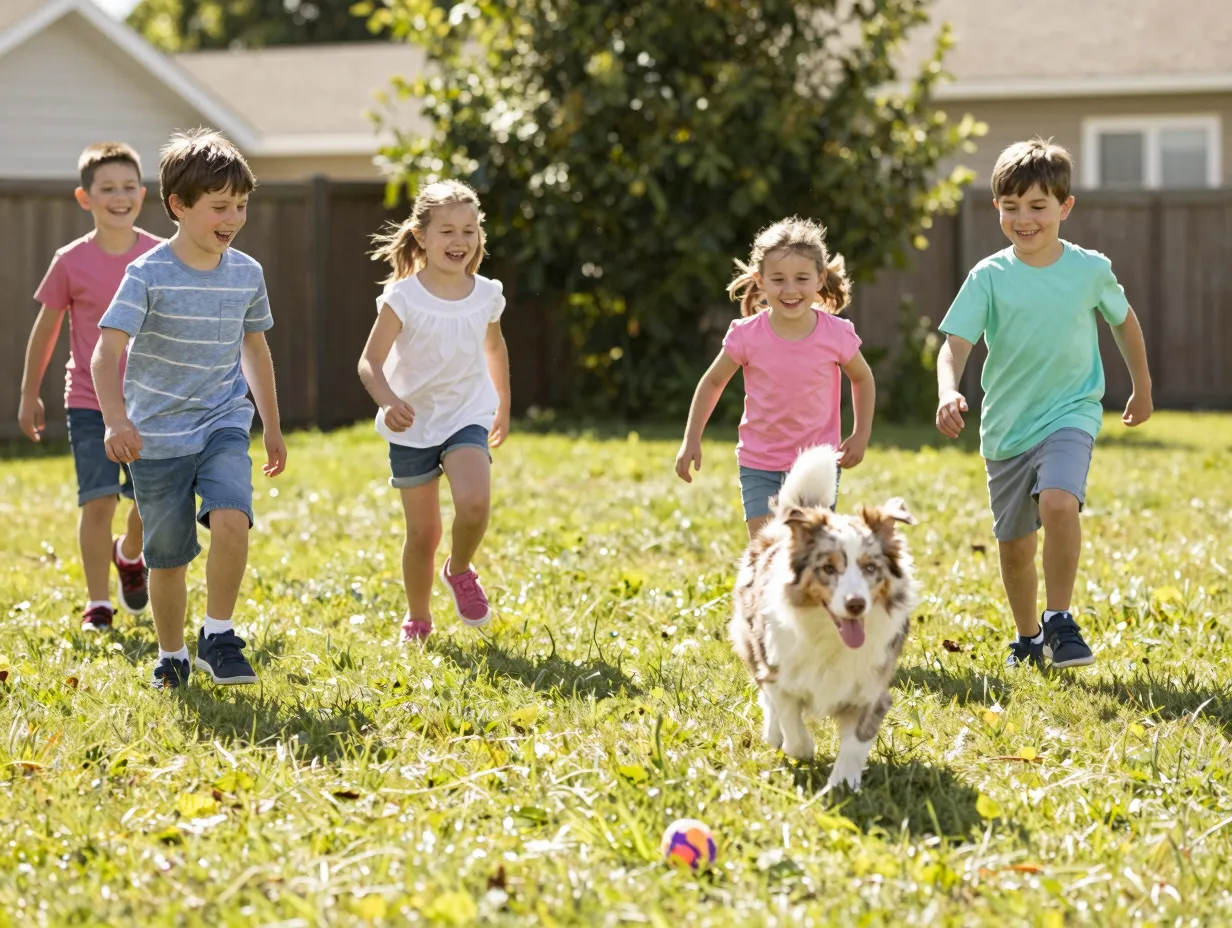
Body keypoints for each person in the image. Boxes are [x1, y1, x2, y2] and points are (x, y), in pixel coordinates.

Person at [935, 137, 1153, 669]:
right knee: (1014, 548)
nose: (1024, 219)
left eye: (1038, 206)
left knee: (1058, 502)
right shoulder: (989, 277)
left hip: (1070, 412)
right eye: (1012, 207)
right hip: (1007, 428)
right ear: (997, 208)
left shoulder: (1088, 270)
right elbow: (955, 344)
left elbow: (1123, 321)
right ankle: (1029, 636)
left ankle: (1060, 620)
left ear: (1064, 207)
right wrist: (948, 389)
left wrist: (1141, 385)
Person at [92, 129, 287, 689]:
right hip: (155, 435)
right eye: (219, 206)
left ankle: (219, 634)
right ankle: (172, 655)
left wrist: (270, 424)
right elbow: (108, 355)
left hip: (222, 419)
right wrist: (115, 419)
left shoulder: (246, 273)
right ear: (179, 205)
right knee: (169, 557)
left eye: (241, 205)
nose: (233, 217)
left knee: (232, 517)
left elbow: (254, 347)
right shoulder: (147, 275)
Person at [358, 180, 511, 642]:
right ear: (421, 236)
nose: (459, 241)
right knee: (422, 534)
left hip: (466, 414)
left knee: (475, 503)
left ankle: (460, 569)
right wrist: (388, 400)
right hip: (412, 425)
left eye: (469, 230)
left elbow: (495, 346)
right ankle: (419, 619)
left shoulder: (486, 294)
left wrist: (502, 404)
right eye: (446, 231)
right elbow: (369, 362)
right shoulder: (403, 298)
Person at [19, 142, 160, 631]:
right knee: (98, 500)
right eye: (107, 189)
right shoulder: (70, 261)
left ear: (142, 194)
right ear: (86, 197)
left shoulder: (159, 257)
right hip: (88, 402)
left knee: (148, 501)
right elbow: (47, 329)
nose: (119, 197)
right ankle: (98, 602)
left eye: (127, 188)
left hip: (149, 402)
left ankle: (130, 554)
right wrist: (27, 392)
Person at [675, 216, 876, 538]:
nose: (790, 289)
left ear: (820, 278)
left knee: (810, 549)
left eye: (801, 278)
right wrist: (691, 439)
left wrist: (860, 434)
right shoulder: (746, 336)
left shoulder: (837, 334)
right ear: (760, 280)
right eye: (778, 279)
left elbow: (863, 379)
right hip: (760, 463)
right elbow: (713, 382)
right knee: (766, 552)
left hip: (817, 463)